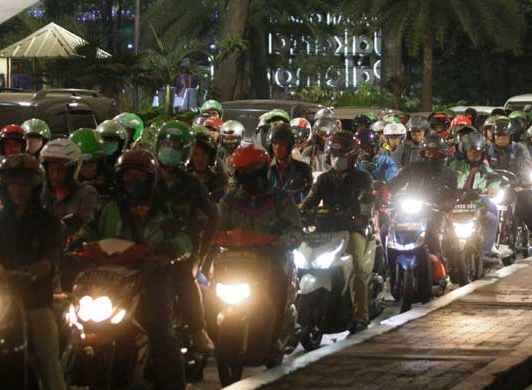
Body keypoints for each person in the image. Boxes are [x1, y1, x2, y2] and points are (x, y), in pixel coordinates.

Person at [71, 149, 191, 390]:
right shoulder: (109, 207)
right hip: (107, 277)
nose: (132, 180)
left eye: (138, 175)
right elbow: (89, 230)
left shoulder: (165, 209)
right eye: (128, 174)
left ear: (150, 178)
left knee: (161, 327)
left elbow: (184, 237)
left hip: (151, 277)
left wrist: (168, 250)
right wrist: (81, 242)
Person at [0, 153, 67, 390]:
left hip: (34, 299)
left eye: (24, 184)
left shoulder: (48, 222)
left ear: (35, 186)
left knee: (46, 356)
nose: (18, 190)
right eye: (13, 184)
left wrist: (39, 268)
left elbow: (53, 256)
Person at [219, 144, 302, 345]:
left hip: (272, 259)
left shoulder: (281, 199)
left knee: (278, 288)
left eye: (253, 171)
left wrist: (285, 240)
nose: (249, 176)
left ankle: (275, 334)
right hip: (235, 261)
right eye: (244, 172)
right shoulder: (229, 201)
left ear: (264, 170)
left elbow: (295, 229)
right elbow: (217, 227)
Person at [299, 132, 374, 334]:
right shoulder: (324, 179)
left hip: (352, 230)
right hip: (326, 230)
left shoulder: (362, 178)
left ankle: (361, 316)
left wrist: (361, 216)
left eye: (341, 155)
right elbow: (310, 201)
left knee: (358, 267)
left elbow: (367, 201)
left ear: (352, 157)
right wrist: (299, 214)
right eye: (333, 154)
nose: (337, 159)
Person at [154, 121, 217, 354]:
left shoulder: (192, 185)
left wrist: (201, 253)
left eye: (175, 146)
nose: (168, 149)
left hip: (183, 249)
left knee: (185, 278)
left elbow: (213, 217)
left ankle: (198, 329)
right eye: (165, 144)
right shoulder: (149, 181)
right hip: (150, 246)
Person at [388, 134, 459, 260]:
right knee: (389, 229)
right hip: (408, 212)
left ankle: (438, 260)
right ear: (423, 153)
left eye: (436, 153)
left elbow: (453, 196)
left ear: (443, 154)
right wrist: (385, 191)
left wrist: (443, 206)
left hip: (434, 212)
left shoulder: (449, 174)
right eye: (428, 152)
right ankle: (387, 264)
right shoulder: (412, 168)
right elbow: (397, 182)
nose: (431, 155)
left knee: (431, 231)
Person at [486, 118, 532, 252]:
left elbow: (525, 167)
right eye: (498, 136)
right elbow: (481, 168)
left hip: (516, 187)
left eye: (504, 136)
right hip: (494, 189)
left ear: (510, 136)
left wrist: (521, 181)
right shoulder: (486, 150)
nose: (501, 139)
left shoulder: (519, 149)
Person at [447, 132, 502, 261]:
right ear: (465, 151)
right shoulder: (454, 164)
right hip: (453, 202)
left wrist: (493, 188)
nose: (474, 155)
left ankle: (486, 253)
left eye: (477, 152)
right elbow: (444, 177)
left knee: (492, 219)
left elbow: (493, 179)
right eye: (471, 151)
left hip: (475, 202)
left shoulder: (484, 168)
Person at [41, 138, 98, 237]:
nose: (55, 175)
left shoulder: (86, 193)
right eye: (52, 170)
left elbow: (86, 227)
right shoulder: (42, 194)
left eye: (60, 170)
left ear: (71, 170)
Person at [267, 122, 313, 204]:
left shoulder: (304, 169)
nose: (278, 147)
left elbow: (308, 199)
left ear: (289, 145)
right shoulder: (265, 170)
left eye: (282, 143)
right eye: (275, 143)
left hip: (296, 213)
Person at [70, 127, 114, 200]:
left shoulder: (113, 180)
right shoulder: (67, 185)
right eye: (85, 164)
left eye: (94, 162)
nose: (93, 168)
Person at [189, 126, 228, 202]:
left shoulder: (219, 181)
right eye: (195, 154)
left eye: (204, 154)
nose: (200, 159)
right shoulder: (182, 181)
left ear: (211, 157)